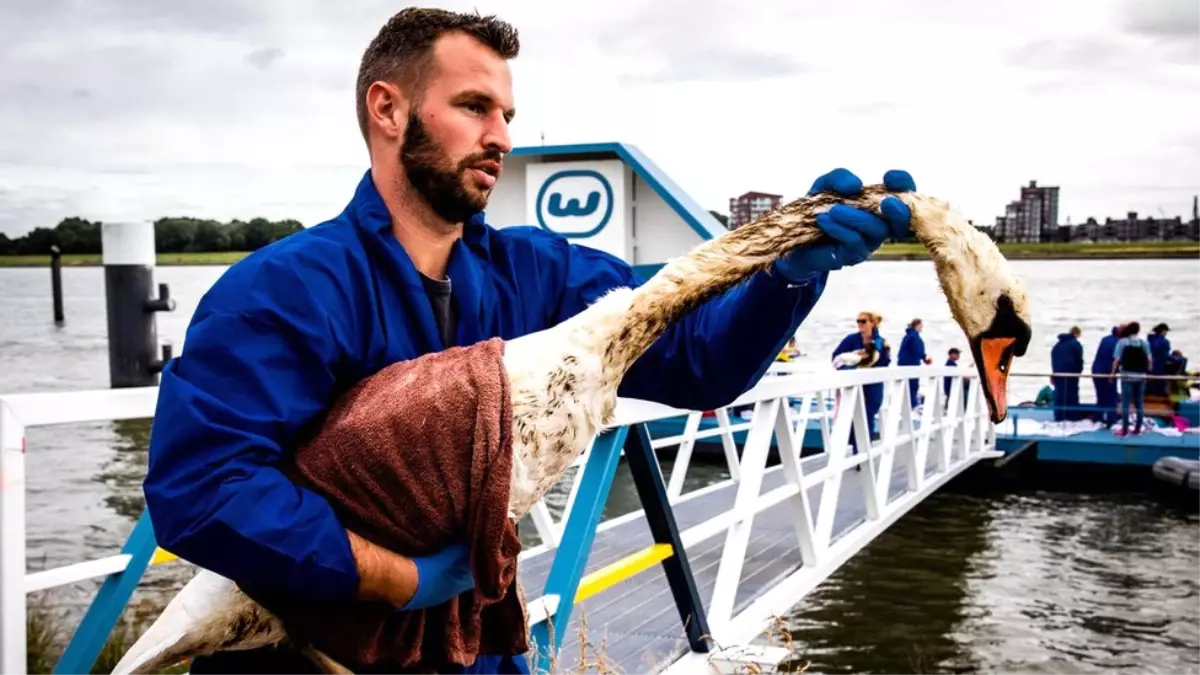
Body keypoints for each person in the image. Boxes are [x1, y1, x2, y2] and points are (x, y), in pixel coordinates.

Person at [140, 7, 919, 673]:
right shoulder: (283, 291)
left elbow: (700, 361)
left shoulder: (539, 274)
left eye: (506, 114)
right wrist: (397, 577)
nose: (500, 135)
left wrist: (782, 278)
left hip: (478, 649)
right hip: (305, 656)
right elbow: (203, 491)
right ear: (387, 109)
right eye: (475, 106)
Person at [832, 311, 890, 451]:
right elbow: (836, 357)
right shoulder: (851, 339)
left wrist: (874, 355)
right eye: (858, 321)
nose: (859, 324)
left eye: (863, 321)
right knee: (852, 418)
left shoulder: (880, 342)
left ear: (872, 323)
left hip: (873, 386)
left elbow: (886, 362)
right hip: (853, 385)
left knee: (867, 416)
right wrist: (849, 367)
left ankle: (862, 452)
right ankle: (857, 451)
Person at [1112, 321, 1152, 436]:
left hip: (1127, 375)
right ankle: (1138, 428)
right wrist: (1148, 371)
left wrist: (1112, 373)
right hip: (1141, 375)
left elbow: (1117, 359)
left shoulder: (1122, 342)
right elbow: (1149, 360)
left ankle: (1124, 429)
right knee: (1139, 403)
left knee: (1125, 403)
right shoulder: (1143, 342)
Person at [1050, 326, 1084, 421]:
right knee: (1072, 396)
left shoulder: (1057, 345)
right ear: (1077, 334)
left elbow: (1054, 360)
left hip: (1058, 374)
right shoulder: (1076, 344)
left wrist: (1054, 373)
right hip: (1071, 374)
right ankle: (1073, 417)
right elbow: (1079, 360)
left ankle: (1059, 417)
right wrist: (1078, 372)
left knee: (1060, 396)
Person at [1090, 325, 1121, 426]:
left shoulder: (1105, 339)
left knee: (1100, 396)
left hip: (1096, 369)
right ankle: (1111, 421)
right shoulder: (1118, 343)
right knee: (1111, 396)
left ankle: (1097, 418)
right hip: (1108, 372)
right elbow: (1117, 359)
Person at [897, 317, 931, 407]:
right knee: (912, 387)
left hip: (904, 364)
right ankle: (911, 406)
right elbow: (917, 350)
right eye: (921, 326)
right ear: (917, 325)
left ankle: (904, 406)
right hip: (911, 365)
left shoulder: (908, 336)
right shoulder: (914, 336)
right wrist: (924, 358)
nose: (922, 328)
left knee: (905, 387)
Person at [1147, 323, 1171, 396]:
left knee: (1150, 382)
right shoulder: (1165, 341)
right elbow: (1165, 355)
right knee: (1160, 383)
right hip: (1160, 365)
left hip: (1149, 364)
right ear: (1163, 331)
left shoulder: (1150, 340)